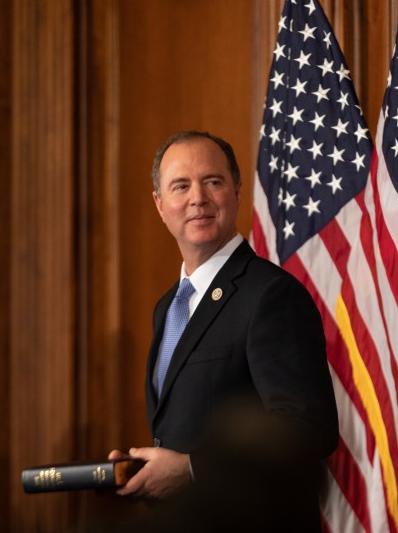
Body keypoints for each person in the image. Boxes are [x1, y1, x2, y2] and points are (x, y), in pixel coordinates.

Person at [108, 130, 338, 531]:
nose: (198, 197)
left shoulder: (271, 295)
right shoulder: (168, 307)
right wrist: (145, 471)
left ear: (236, 191)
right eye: (181, 186)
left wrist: (192, 470)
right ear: (160, 206)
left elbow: (308, 429)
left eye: (213, 182)